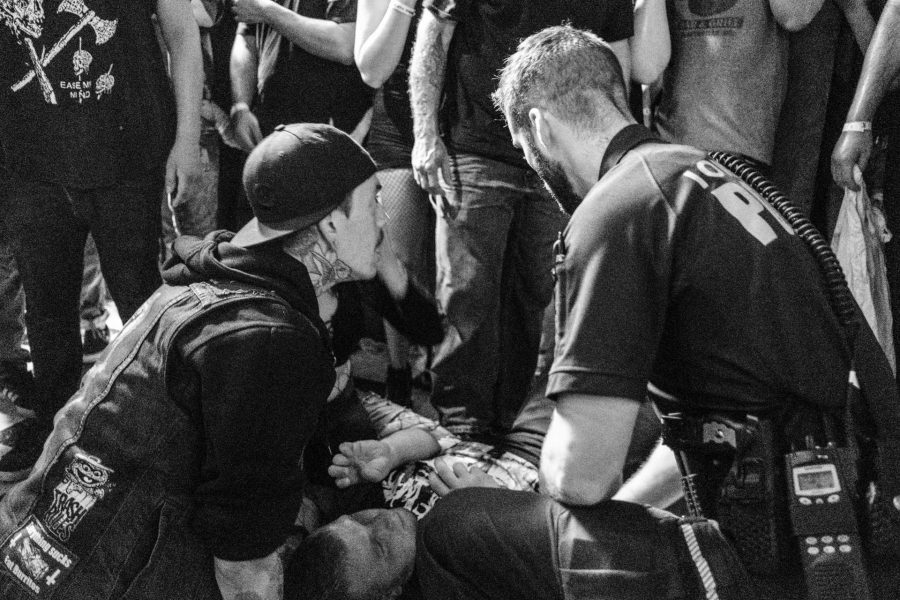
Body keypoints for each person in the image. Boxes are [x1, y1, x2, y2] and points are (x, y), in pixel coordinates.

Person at [415, 24, 900, 599]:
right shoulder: (709, 178)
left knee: (455, 523)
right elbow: (726, 424)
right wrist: (619, 507)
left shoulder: (614, 209)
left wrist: (511, 483)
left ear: (539, 127)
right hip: (844, 526)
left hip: (749, 559)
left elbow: (580, 476)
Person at [0, 123, 394, 600]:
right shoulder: (269, 342)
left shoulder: (193, 287)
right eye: (373, 199)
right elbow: (243, 569)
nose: (384, 217)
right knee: (385, 541)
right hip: (110, 583)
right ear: (331, 224)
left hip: (25, 554)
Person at [408, 0, 636, 437]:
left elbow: (614, 68)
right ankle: (461, 430)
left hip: (560, 157)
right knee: (465, 295)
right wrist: (425, 133)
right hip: (475, 147)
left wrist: (607, 162)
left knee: (536, 299)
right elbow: (433, 33)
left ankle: (510, 430)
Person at [0, 0, 203, 437]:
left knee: (141, 303)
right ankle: (55, 436)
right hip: (29, 162)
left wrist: (188, 138)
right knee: (46, 312)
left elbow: (183, 37)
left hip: (128, 158)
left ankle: (156, 433)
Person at [354, 0, 434, 404]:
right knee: (395, 258)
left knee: (461, 270)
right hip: (399, 130)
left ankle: (442, 371)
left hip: (468, 127)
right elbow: (371, 69)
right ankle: (399, 369)